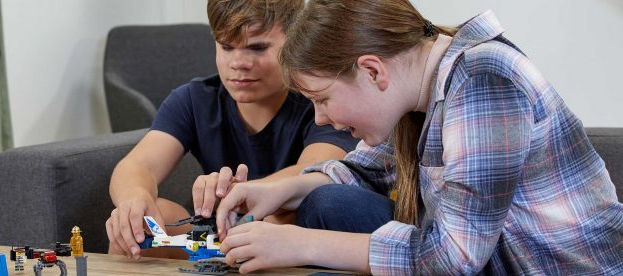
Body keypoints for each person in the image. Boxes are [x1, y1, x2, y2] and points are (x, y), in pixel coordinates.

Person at [215, 0, 623, 274]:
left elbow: (455, 258)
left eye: (322, 99)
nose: (325, 119)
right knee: (326, 198)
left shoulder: (484, 81)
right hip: (499, 263)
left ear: (373, 71)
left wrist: (299, 245)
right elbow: (366, 168)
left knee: (326, 215)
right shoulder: (422, 95)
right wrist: (279, 191)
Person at [105, 0, 359, 260]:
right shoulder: (194, 99)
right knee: (138, 226)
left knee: (280, 216)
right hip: (217, 232)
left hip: (291, 233)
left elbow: (319, 169)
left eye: (258, 48)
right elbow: (137, 165)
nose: (238, 63)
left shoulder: (320, 101)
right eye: (226, 47)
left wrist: (239, 193)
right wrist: (134, 199)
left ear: (296, 42)